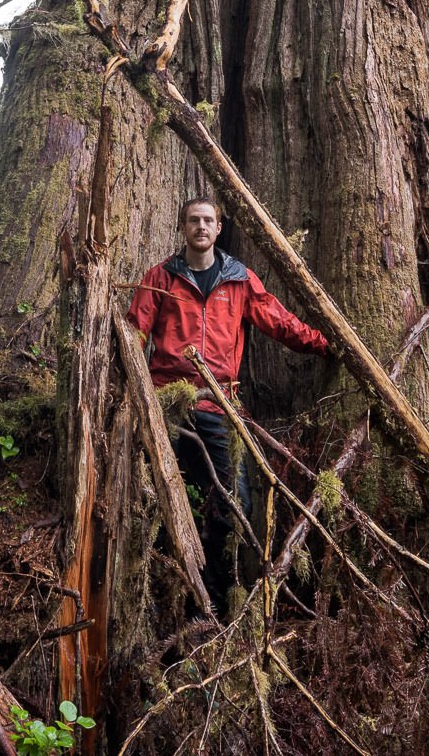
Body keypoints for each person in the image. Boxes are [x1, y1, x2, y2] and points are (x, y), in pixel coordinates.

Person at [126, 193, 331, 607]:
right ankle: (164, 594)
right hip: (168, 406)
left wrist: (325, 343)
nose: (201, 227)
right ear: (182, 227)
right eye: (193, 221)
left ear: (219, 229)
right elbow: (135, 333)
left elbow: (278, 321)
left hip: (220, 408)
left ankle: (219, 598)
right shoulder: (161, 278)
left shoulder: (238, 280)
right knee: (158, 497)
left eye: (208, 221)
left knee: (235, 503)